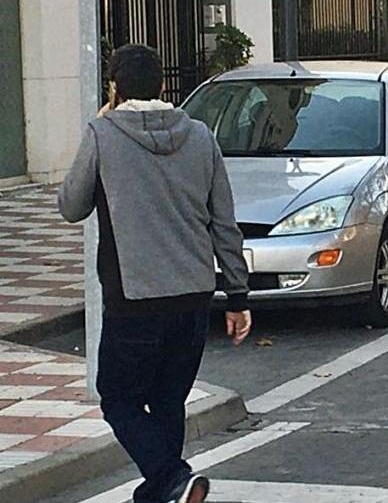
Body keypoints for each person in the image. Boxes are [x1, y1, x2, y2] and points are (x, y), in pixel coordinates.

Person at [58, 44, 252, 503]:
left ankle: (171, 480)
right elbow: (224, 222)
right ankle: (161, 493)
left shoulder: (103, 133)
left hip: (135, 296)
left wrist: (103, 121)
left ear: (114, 88)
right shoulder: (201, 136)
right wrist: (238, 296)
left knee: (118, 396)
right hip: (194, 292)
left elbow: (70, 206)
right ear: (163, 86)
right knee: (168, 401)